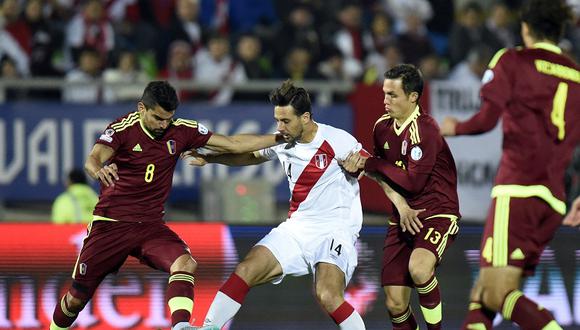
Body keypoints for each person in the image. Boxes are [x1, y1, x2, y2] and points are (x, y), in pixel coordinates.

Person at [49, 81, 284, 330]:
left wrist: (280, 137)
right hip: (111, 224)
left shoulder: (181, 130)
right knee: (76, 299)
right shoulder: (122, 128)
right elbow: (93, 159)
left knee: (186, 264)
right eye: (158, 118)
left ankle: (180, 326)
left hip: (150, 226)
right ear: (142, 108)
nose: (164, 125)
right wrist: (99, 171)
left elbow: (233, 144)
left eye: (168, 119)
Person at [440, 1, 580, 328]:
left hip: (518, 188)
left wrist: (454, 128)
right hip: (554, 197)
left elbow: (487, 119)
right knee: (485, 290)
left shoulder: (512, 60)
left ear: (525, 28)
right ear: (559, 32)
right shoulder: (576, 74)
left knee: (496, 292)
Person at [186, 80, 367, 329]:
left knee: (328, 295)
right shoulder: (283, 140)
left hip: (334, 230)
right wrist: (211, 160)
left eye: (286, 121)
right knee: (247, 268)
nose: (280, 127)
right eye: (277, 120)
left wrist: (360, 168)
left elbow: (368, 165)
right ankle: (208, 327)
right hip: (297, 228)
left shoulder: (338, 139)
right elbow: (249, 155)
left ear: (305, 117)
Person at [342, 64, 460, 330]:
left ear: (413, 97)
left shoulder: (425, 129)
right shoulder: (381, 127)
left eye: (393, 95)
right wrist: (401, 205)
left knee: (420, 269)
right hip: (403, 216)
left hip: (436, 212)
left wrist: (370, 163)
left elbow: (413, 181)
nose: (385, 100)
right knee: (395, 303)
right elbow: (383, 176)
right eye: (384, 93)